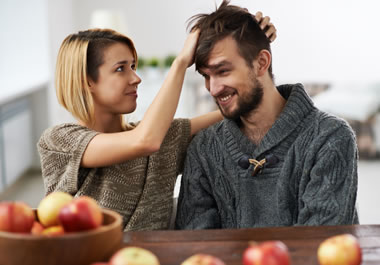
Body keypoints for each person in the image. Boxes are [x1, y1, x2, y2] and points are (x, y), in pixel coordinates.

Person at [37, 13, 276, 231]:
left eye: (133, 66)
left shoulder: (165, 138)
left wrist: (251, 50)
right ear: (86, 81)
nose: (136, 78)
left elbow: (235, 108)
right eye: (121, 69)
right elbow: (145, 141)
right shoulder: (59, 141)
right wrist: (181, 62)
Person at [175, 0, 359, 230]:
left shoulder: (330, 138)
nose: (213, 88)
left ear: (261, 62)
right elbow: (195, 249)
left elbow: (320, 246)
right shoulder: (203, 149)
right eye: (206, 75)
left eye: (223, 71)